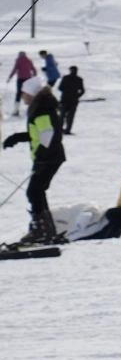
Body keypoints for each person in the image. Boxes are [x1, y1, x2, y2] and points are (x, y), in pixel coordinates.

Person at [2, 76, 66, 245]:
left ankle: (42, 230)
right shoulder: (42, 106)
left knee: (34, 192)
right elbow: (38, 133)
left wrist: (41, 157)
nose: (22, 97)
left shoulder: (43, 109)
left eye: (23, 93)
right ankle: (46, 229)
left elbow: (47, 133)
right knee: (37, 191)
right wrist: (16, 137)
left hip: (49, 158)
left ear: (31, 93)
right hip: (49, 157)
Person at [8, 50, 37, 116]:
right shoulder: (29, 60)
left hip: (20, 79)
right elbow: (34, 69)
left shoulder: (19, 60)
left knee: (19, 94)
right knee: (29, 94)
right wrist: (35, 76)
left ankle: (16, 110)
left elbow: (15, 69)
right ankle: (32, 109)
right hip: (28, 79)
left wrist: (10, 77)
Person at [58, 66, 84, 133]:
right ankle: (68, 130)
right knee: (70, 116)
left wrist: (66, 91)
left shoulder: (66, 78)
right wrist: (77, 96)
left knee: (62, 115)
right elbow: (82, 90)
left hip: (64, 99)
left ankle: (59, 129)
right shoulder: (79, 79)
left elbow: (60, 88)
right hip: (74, 101)